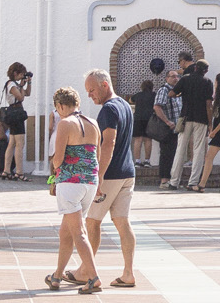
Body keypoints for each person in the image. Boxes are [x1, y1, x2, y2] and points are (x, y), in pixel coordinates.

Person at [81, 70, 136, 289]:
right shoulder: (124, 105)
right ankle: (128, 273)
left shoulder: (108, 109)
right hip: (128, 172)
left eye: (92, 90)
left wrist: (99, 175)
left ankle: (85, 271)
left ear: (105, 85)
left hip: (111, 174)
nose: (89, 95)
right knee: (122, 222)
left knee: (92, 221)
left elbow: (108, 142)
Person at [46, 85, 103, 294]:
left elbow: (58, 159)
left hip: (70, 183)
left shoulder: (65, 123)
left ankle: (93, 277)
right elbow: (97, 156)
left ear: (60, 106)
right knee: (66, 232)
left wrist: (53, 174)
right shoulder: (93, 123)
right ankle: (57, 276)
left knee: (79, 232)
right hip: (90, 183)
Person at [172, 60, 212, 189]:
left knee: (180, 148)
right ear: (206, 70)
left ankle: (174, 181)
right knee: (198, 150)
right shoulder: (208, 82)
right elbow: (208, 105)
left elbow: (171, 93)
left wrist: (181, 93)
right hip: (201, 118)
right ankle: (193, 181)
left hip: (186, 116)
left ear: (195, 68)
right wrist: (210, 122)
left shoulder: (185, 79)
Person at [2, 62, 33, 181]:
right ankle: (19, 172)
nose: (22, 76)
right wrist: (20, 86)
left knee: (12, 143)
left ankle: (6, 170)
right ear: (15, 73)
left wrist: (28, 83)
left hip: (14, 113)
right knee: (20, 144)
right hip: (16, 113)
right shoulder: (11, 84)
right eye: (21, 74)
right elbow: (20, 97)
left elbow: (27, 93)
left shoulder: (15, 84)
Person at [153, 69, 180, 189]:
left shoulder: (177, 91)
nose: (175, 78)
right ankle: (164, 180)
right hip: (168, 128)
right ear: (167, 78)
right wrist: (167, 121)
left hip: (177, 129)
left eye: (177, 76)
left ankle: (172, 179)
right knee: (166, 154)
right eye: (172, 76)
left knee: (174, 154)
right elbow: (157, 107)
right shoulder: (164, 90)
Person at [130, 80, 156, 173]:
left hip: (138, 118)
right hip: (149, 119)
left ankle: (137, 161)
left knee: (138, 140)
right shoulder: (154, 95)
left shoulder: (138, 95)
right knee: (148, 140)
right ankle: (147, 161)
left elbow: (130, 100)